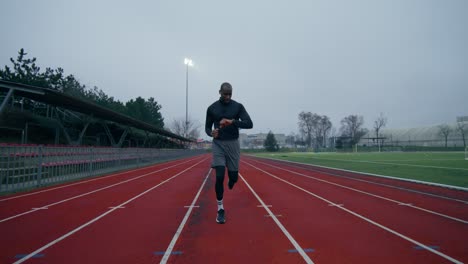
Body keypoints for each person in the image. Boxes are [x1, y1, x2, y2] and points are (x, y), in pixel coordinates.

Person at [205, 82, 253, 224]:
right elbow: (207, 128)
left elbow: (249, 123)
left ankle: (232, 181)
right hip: (218, 144)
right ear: (219, 92)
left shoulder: (237, 106)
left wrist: (232, 121)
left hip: (233, 144)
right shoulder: (212, 108)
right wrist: (211, 133)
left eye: (230, 94)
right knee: (219, 175)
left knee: (233, 177)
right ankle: (220, 209)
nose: (227, 96)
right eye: (225, 93)